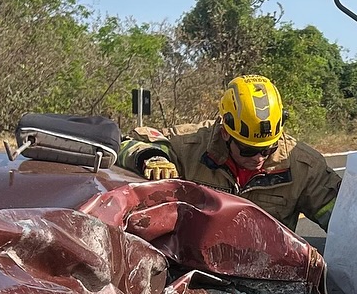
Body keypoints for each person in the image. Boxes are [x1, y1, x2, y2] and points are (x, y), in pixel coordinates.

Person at [119, 75, 342, 233]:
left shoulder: (304, 167)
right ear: (225, 132)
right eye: (248, 149)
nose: (259, 158)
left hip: (268, 270)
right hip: (200, 267)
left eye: (267, 149)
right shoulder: (192, 146)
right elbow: (131, 142)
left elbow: (344, 221)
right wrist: (154, 157)